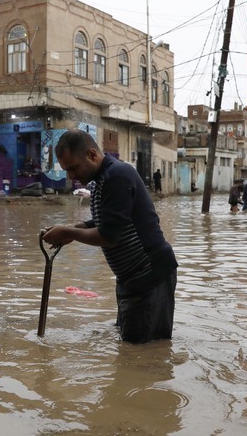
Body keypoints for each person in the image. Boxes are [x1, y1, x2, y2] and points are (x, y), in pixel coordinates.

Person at [41, 129, 178, 344]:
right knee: (132, 346)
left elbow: (109, 235)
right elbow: (109, 220)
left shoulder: (117, 176)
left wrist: (68, 232)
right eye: (67, 170)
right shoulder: (103, 179)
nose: (71, 176)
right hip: (132, 279)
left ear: (92, 155)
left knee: (143, 351)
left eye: (73, 168)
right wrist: (73, 227)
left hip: (149, 276)